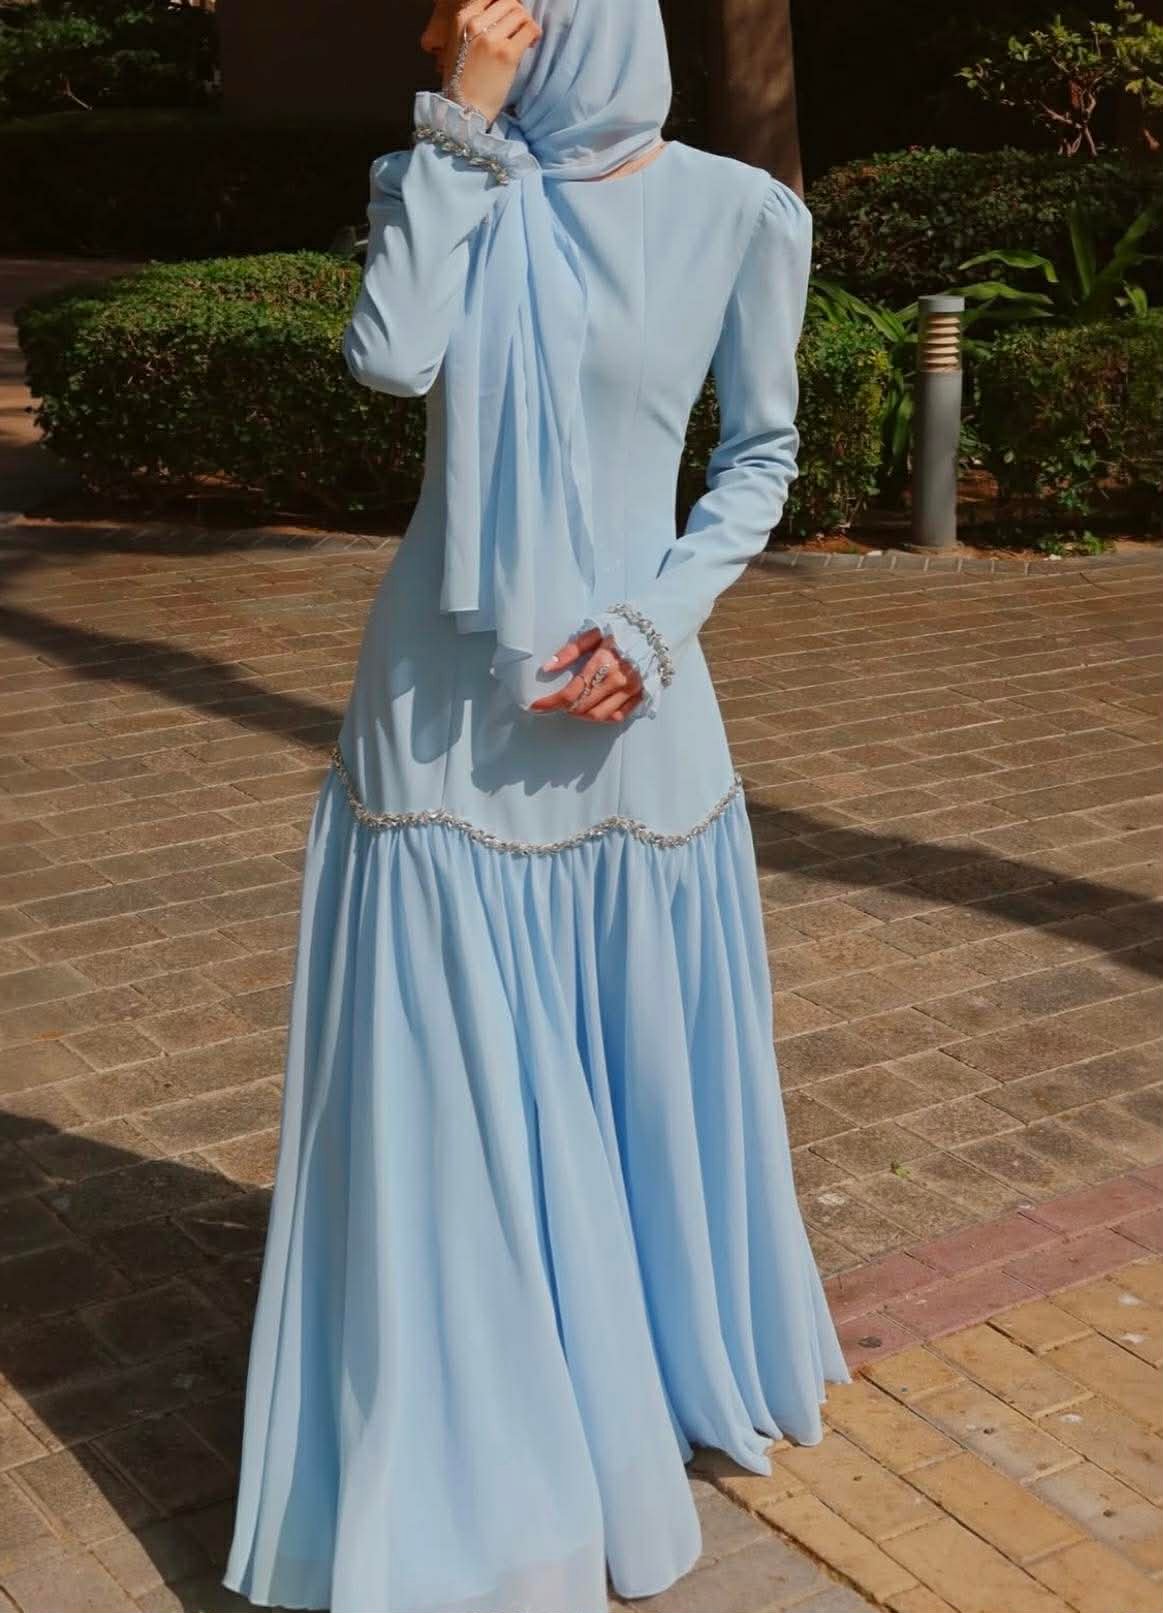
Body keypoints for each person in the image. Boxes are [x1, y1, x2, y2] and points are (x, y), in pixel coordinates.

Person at [223, 1, 848, 1608]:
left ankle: (642, 1355)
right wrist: (463, 124)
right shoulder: (449, 178)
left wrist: (657, 623)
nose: (463, 22)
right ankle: (479, 1431)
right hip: (438, 714)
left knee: (620, 1055)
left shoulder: (735, 211)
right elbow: (388, 359)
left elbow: (761, 458)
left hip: (633, 709)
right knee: (456, 1074)